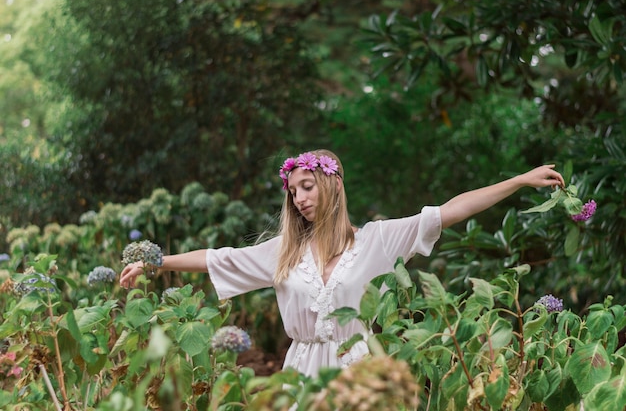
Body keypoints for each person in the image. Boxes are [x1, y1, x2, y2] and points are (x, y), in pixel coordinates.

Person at [119, 149, 565, 377]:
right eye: (293, 191)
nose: (299, 198)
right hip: (301, 372)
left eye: (307, 186)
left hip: (360, 369)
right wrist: (156, 262)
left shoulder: (380, 240)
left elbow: (451, 210)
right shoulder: (285, 252)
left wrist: (521, 180)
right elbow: (219, 259)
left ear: (331, 186)